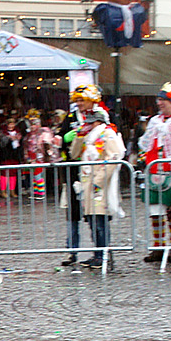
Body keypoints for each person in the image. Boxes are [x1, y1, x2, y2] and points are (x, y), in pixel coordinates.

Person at [139, 83, 171, 265]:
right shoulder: (155, 121)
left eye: (163, 100)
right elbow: (145, 142)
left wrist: (167, 131)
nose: (159, 103)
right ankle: (158, 247)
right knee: (156, 210)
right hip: (155, 169)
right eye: (159, 100)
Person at [67, 109, 125, 269]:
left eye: (91, 123)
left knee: (100, 221)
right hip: (87, 182)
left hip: (101, 185)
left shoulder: (107, 134)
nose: (88, 125)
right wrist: (79, 137)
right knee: (92, 220)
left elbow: (114, 157)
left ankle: (103, 254)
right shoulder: (87, 137)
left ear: (99, 122)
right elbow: (74, 154)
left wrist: (99, 181)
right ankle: (98, 254)